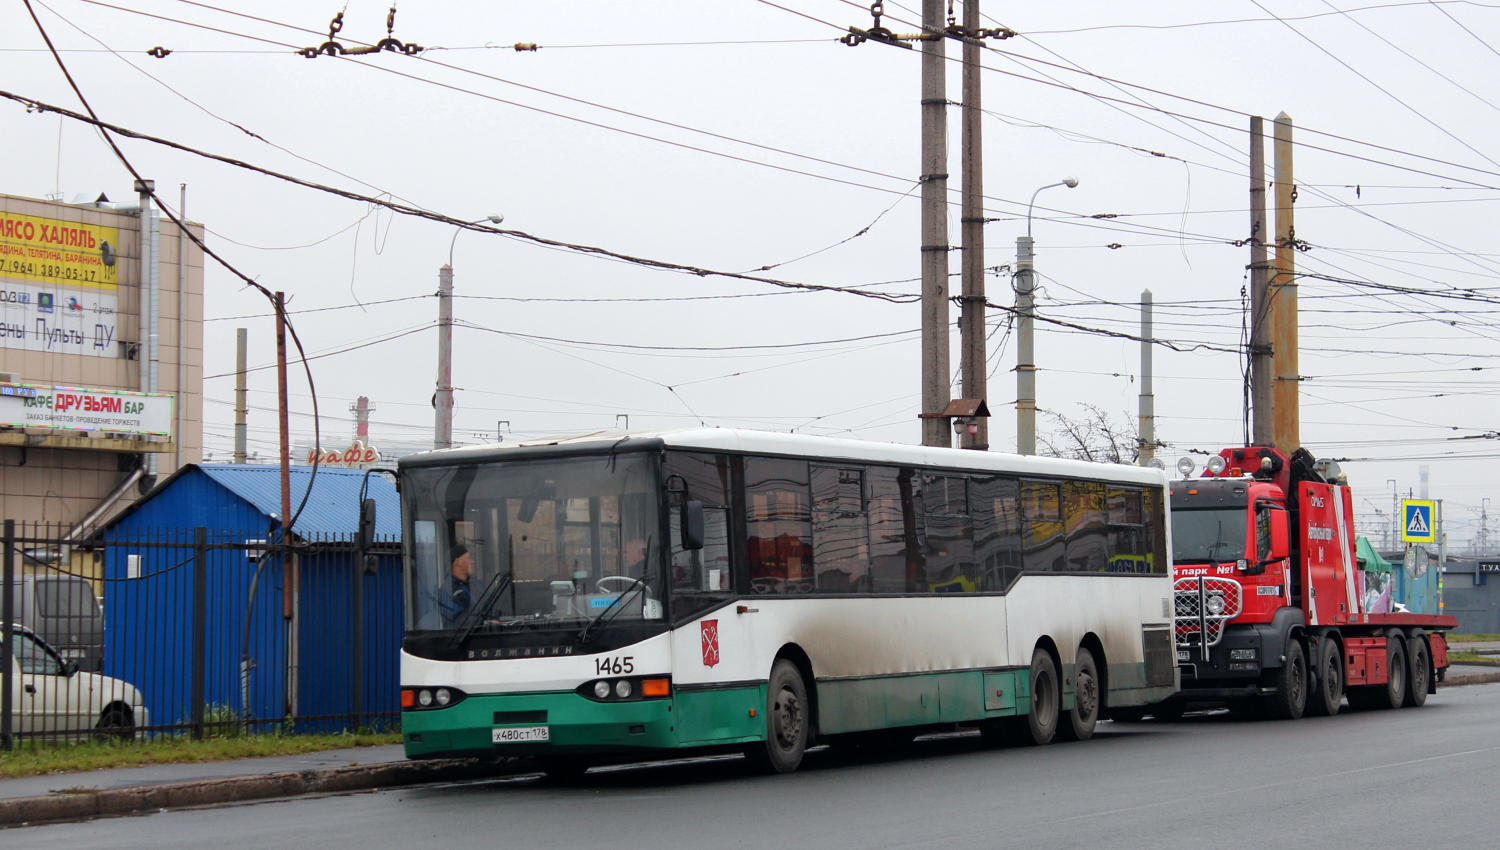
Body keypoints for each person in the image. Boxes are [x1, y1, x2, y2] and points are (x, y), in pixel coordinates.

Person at [439, 544, 474, 626]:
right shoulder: (448, 590)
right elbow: (457, 623)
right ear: (458, 561)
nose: (473, 561)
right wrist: (486, 622)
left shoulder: (476, 585)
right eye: (469, 558)